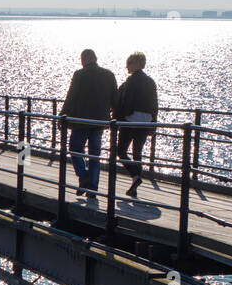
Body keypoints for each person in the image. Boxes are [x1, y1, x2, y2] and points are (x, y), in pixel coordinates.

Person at [59, 49, 117, 199]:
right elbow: (115, 100)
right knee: (94, 155)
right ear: (95, 58)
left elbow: (71, 96)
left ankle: (84, 176)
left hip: (81, 121)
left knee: (75, 149)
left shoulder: (80, 75)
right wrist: (115, 119)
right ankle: (93, 189)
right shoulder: (109, 75)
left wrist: (62, 116)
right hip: (100, 122)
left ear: (84, 59)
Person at [115, 51, 158, 198]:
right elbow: (154, 105)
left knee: (120, 151)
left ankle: (135, 176)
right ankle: (134, 184)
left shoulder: (131, 82)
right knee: (137, 153)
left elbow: (125, 101)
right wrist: (153, 124)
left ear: (137, 64)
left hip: (131, 120)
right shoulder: (150, 82)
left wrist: (120, 118)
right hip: (146, 121)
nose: (127, 66)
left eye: (129, 63)